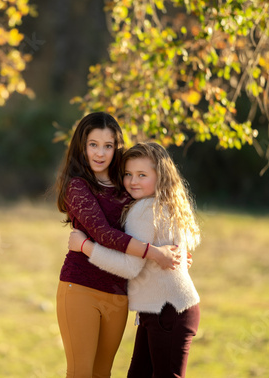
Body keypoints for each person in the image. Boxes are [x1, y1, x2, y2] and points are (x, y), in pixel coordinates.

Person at [55, 113, 180, 378]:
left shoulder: (127, 184)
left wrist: (177, 249)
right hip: (80, 288)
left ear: (117, 147)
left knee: (103, 374)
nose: (100, 153)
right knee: (80, 373)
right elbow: (103, 234)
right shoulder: (77, 186)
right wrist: (155, 253)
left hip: (118, 295)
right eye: (93, 144)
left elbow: (159, 211)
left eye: (108, 145)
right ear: (82, 146)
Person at [69, 142, 201, 378]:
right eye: (128, 174)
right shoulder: (170, 204)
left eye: (142, 175)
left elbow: (129, 267)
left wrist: (85, 247)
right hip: (163, 310)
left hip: (167, 310)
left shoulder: (144, 210)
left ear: (160, 177)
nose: (133, 181)